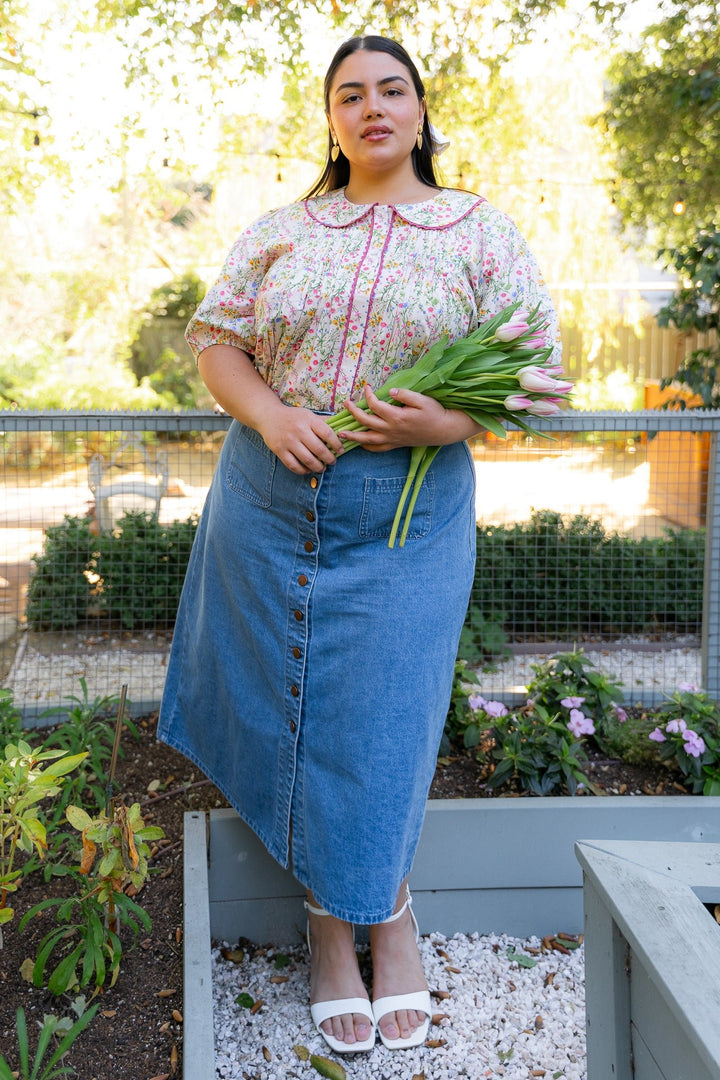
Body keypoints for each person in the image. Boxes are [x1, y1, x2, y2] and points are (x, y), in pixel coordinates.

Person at [158, 34, 561, 1054]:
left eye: (391, 90)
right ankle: (334, 931)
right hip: (269, 496)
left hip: (407, 513)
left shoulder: (484, 234)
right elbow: (216, 339)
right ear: (331, 118)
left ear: (421, 111)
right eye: (351, 94)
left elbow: (539, 377)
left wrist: (446, 424)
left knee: (380, 713)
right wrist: (266, 415)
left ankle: (388, 912)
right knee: (285, 703)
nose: (372, 107)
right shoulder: (281, 229)